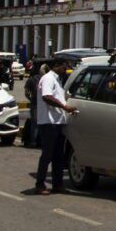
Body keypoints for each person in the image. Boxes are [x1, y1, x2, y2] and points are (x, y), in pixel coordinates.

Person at [35, 59, 77, 195]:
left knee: (58, 155)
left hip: (58, 122)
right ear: (56, 66)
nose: (66, 69)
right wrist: (64, 107)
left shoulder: (57, 80)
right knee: (47, 155)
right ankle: (40, 184)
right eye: (64, 67)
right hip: (49, 122)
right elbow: (47, 97)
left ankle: (57, 184)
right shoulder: (48, 79)